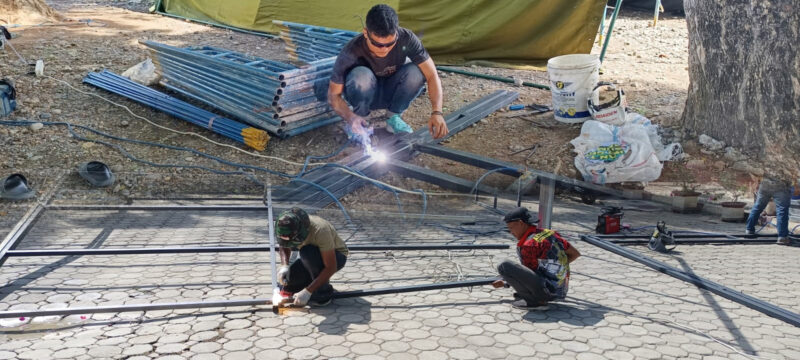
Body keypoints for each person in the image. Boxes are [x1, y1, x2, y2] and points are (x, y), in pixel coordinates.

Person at [327, 4, 448, 143]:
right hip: (364, 94)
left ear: (396, 32)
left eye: (390, 44)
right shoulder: (351, 50)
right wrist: (351, 117)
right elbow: (333, 95)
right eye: (377, 44)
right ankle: (361, 122)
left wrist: (437, 112)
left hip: (391, 90)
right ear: (366, 33)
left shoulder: (407, 38)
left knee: (417, 71)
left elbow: (432, 75)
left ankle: (393, 118)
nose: (384, 49)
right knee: (361, 76)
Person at [492, 207, 581, 310]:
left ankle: (535, 301)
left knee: (504, 266)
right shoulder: (550, 233)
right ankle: (536, 296)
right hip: (560, 290)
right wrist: (558, 267)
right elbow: (575, 253)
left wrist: (506, 282)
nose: (511, 232)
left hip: (547, 291)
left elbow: (529, 273)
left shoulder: (529, 245)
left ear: (521, 223)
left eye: (511, 228)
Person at [275, 207, 349, 306]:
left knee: (307, 252)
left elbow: (331, 267)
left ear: (301, 230)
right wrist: (284, 266)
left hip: (336, 256)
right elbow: (284, 244)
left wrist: (308, 291)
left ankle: (323, 294)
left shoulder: (320, 230)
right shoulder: (283, 224)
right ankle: (312, 282)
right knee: (289, 282)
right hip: (310, 259)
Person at [745, 176, 799, 245]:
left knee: (758, 206)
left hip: (765, 183)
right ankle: (782, 237)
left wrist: (758, 182)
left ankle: (749, 230)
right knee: (782, 210)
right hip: (781, 185)